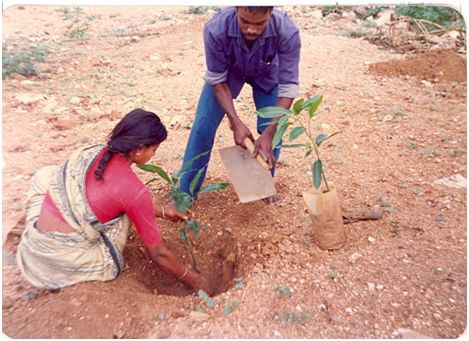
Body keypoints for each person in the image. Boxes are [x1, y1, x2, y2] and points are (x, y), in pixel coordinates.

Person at [16, 109, 212, 294]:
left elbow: (119, 195)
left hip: (36, 238)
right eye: (154, 149)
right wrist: (197, 281)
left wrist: (162, 211)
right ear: (139, 149)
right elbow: (159, 254)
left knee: (47, 176)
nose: (154, 154)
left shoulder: (92, 151)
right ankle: (77, 268)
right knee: (121, 227)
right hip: (53, 262)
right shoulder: (134, 191)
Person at [178, 6, 301, 203]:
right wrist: (235, 122)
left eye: (259, 24)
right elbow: (217, 79)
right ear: (237, 9)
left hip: (267, 72)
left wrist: (269, 133)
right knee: (203, 126)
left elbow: (288, 87)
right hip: (228, 75)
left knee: (273, 131)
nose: (251, 29)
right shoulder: (216, 29)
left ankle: (263, 188)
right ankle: (185, 193)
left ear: (271, 13)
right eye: (245, 21)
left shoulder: (286, 31)